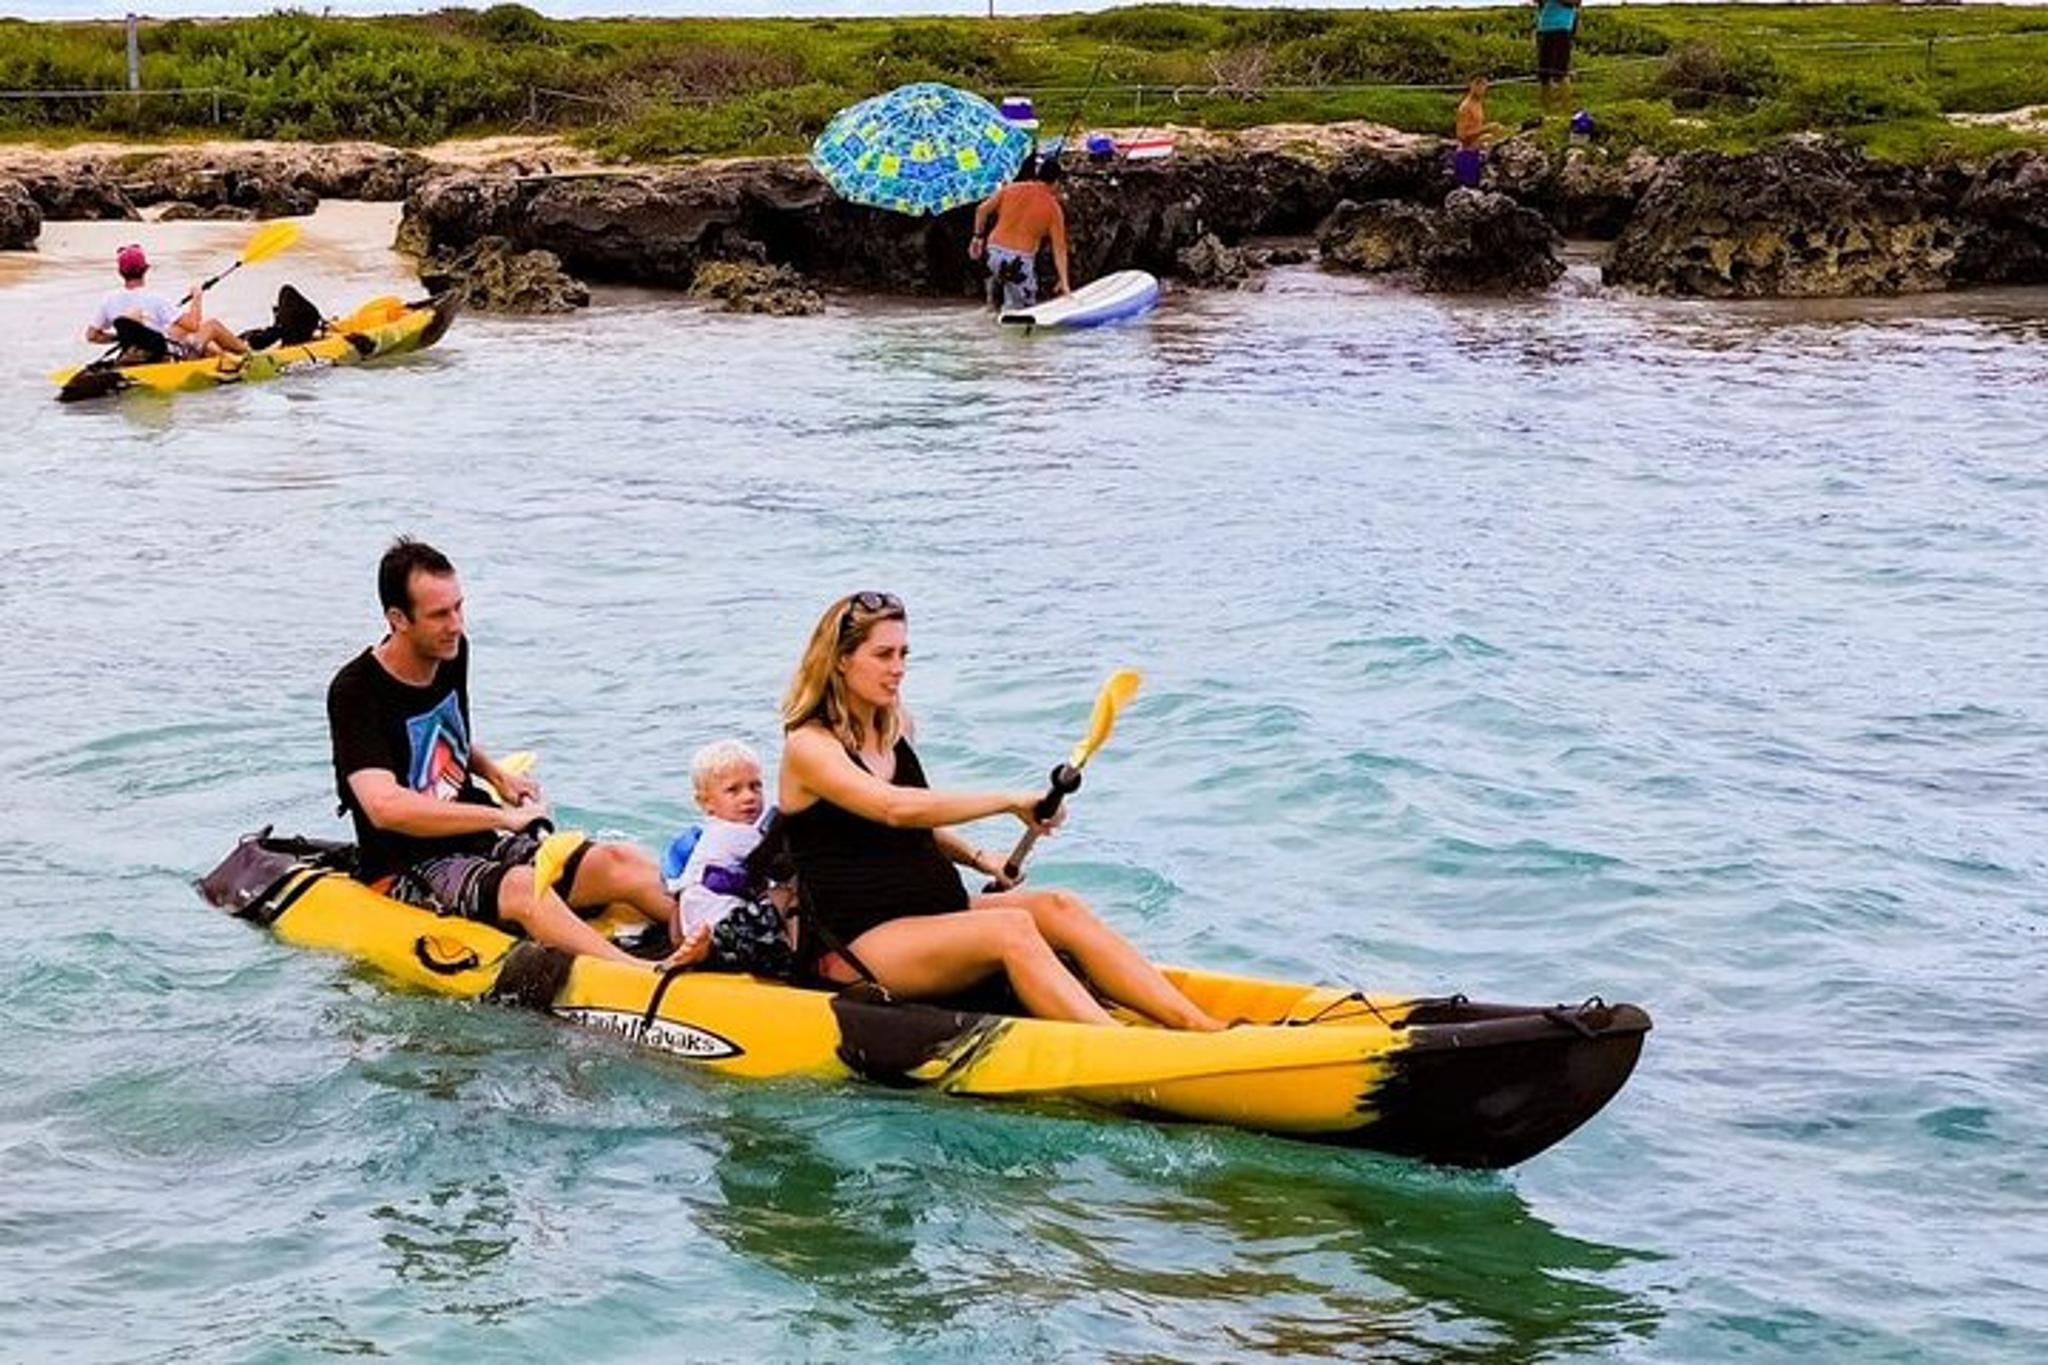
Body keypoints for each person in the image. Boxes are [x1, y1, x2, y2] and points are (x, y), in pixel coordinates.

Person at [776, 591, 1224, 1030]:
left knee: (1057, 906)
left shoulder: (895, 726)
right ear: (840, 659)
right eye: (883, 655)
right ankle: (1126, 1054)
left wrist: (977, 858)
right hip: (860, 945)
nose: (899, 669)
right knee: (1010, 929)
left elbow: (908, 829)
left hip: (933, 911)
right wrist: (1010, 801)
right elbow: (894, 809)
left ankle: (1200, 1026)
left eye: (904, 653)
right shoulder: (809, 747)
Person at [327, 537, 706, 969]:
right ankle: (645, 976)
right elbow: (385, 807)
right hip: (408, 866)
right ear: (398, 619)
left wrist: (494, 774)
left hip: (475, 837)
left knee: (620, 861)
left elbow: (438, 737)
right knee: (528, 888)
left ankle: (722, 939)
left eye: (458, 607)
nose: (455, 624)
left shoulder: (450, 651)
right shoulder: (355, 691)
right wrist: (504, 817)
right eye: (439, 615)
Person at [668, 738, 797, 977]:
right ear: (706, 802)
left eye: (755, 786)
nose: (749, 797)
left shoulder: (711, 834)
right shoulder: (735, 835)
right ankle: (797, 955)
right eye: (733, 790)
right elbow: (782, 861)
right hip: (724, 930)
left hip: (700, 925)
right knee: (788, 891)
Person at [85, 244, 250, 362]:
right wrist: (197, 298)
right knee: (212, 325)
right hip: (167, 356)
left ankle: (221, 354)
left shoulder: (109, 300)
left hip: (136, 351)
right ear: (146, 269)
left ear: (121, 272)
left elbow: (92, 336)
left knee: (177, 330)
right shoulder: (156, 299)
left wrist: (121, 338)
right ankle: (249, 354)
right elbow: (194, 324)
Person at [969, 153, 1071, 313]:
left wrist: (977, 237)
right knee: (1022, 314)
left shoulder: (1011, 189)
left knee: (992, 308)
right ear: (1057, 182)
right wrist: (1064, 282)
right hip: (1018, 262)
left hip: (992, 253)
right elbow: (1060, 249)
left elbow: (981, 210)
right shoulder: (1054, 209)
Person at [1533, 0, 1582, 112]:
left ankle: (1566, 111)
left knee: (1561, 72)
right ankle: (1546, 113)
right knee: (1543, 75)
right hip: (1544, 28)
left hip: (1562, 28)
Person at [1454, 76, 1492, 189]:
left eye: (1484, 85)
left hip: (1475, 152)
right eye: (1478, 85)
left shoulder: (1478, 104)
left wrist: (1486, 137)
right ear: (1471, 86)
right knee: (1467, 192)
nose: (1481, 89)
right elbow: (1461, 135)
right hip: (1466, 155)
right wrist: (1486, 128)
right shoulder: (1465, 107)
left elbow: (1475, 129)